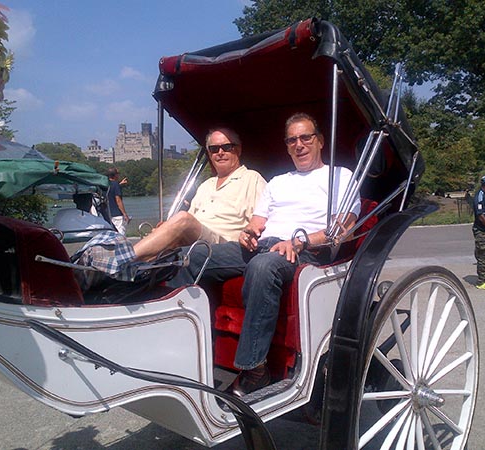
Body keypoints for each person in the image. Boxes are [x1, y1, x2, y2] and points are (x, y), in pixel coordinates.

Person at [168, 113, 361, 396]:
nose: (299, 145)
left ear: (320, 141)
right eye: (292, 140)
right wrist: (248, 233)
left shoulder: (340, 176)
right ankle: (179, 347)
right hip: (264, 245)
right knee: (189, 256)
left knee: (262, 266)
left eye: (305, 137)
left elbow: (342, 229)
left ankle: (255, 368)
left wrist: (299, 242)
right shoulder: (278, 182)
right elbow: (257, 222)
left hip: (306, 251)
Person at [133, 128, 266, 261]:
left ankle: (126, 258)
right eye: (214, 149)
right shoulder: (206, 185)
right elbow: (191, 220)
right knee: (165, 235)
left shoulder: (252, 179)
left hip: (226, 246)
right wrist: (169, 228)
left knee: (183, 219)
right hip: (196, 241)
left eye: (226, 147)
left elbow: (262, 221)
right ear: (209, 153)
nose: (220, 153)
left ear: (238, 149)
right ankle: (134, 266)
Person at [107, 167, 130, 235]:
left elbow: (111, 190)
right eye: (118, 173)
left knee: (112, 233)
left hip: (108, 214)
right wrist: (124, 214)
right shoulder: (116, 185)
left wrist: (120, 184)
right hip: (117, 214)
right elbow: (118, 200)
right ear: (115, 175)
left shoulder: (106, 184)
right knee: (120, 233)